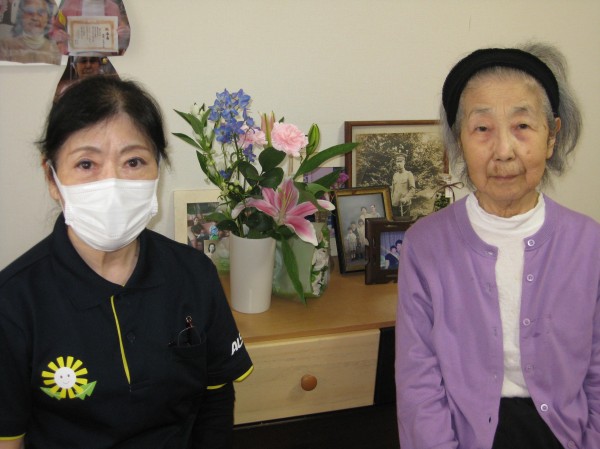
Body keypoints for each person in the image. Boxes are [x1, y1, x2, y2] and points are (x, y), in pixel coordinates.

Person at [0, 76, 253, 449]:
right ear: (52, 179)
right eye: (86, 163)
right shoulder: (13, 302)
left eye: (134, 161)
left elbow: (215, 398)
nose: (113, 184)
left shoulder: (195, 274)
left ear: (157, 170)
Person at [395, 42, 600, 449]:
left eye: (522, 126)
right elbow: (419, 384)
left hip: (565, 434)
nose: (503, 151)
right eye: (482, 129)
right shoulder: (425, 245)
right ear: (459, 142)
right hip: (465, 435)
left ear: (552, 137)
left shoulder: (589, 243)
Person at [0, 0, 61, 64]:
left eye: (40, 13)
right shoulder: (5, 46)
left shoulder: (54, 51)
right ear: (21, 15)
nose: (35, 18)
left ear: (48, 18)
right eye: (30, 12)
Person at [390, 153, 415, 218]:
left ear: (404, 162)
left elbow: (412, 190)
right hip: (394, 205)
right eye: (397, 162)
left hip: (404, 206)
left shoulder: (408, 174)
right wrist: (391, 201)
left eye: (400, 161)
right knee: (395, 223)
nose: (399, 164)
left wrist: (405, 199)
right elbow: (393, 190)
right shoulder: (395, 175)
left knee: (405, 223)